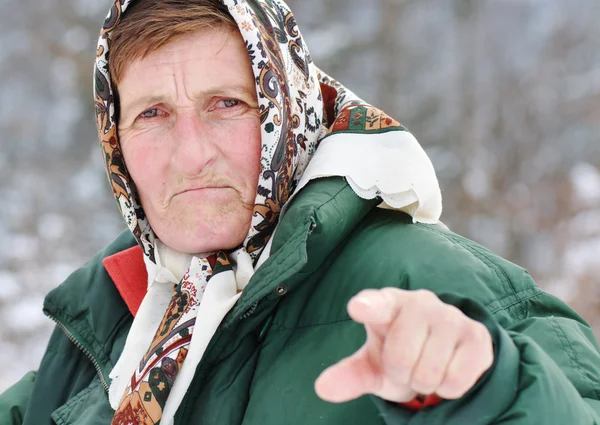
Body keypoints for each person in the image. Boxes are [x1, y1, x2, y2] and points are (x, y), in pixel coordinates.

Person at [1, 0, 599, 424]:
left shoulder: (426, 282)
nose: (190, 155)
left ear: (289, 117)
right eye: (152, 114)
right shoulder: (117, 306)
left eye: (227, 104)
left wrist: (491, 390)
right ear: (116, 141)